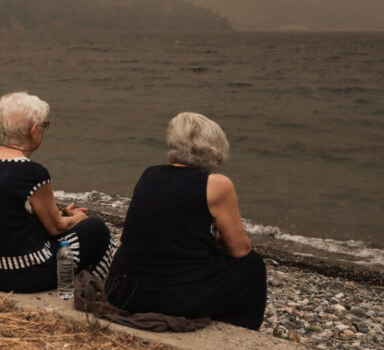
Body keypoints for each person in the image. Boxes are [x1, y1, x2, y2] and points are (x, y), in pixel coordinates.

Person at [104, 112, 267, 330]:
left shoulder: (150, 174)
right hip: (170, 298)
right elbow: (240, 249)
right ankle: (240, 330)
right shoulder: (217, 184)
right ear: (214, 148)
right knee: (253, 266)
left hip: (122, 289)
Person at [0, 91, 114, 293]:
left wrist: (55, 213)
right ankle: (99, 288)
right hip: (21, 275)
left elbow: (7, 213)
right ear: (34, 130)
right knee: (96, 229)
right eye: (44, 125)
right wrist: (78, 218)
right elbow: (57, 228)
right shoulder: (32, 173)